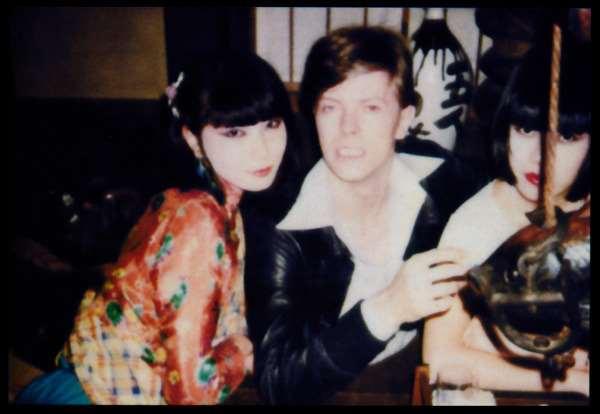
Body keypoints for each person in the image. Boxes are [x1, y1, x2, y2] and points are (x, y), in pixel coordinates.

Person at [16, 50, 295, 404]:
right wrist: (239, 353)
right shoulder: (198, 221)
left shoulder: (214, 203)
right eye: (235, 132)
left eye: (271, 124)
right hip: (102, 394)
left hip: (108, 376)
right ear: (193, 139)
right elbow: (191, 392)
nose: (262, 150)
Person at [243, 26, 484, 404]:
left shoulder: (442, 179)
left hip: (417, 364)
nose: (348, 129)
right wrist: (391, 305)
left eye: (370, 107)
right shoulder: (280, 222)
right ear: (313, 115)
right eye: (331, 107)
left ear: (403, 120)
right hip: (326, 388)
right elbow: (278, 383)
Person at [423, 31, 590, 396]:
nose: (539, 156)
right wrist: (576, 380)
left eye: (566, 137)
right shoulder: (474, 226)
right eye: (526, 129)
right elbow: (438, 360)